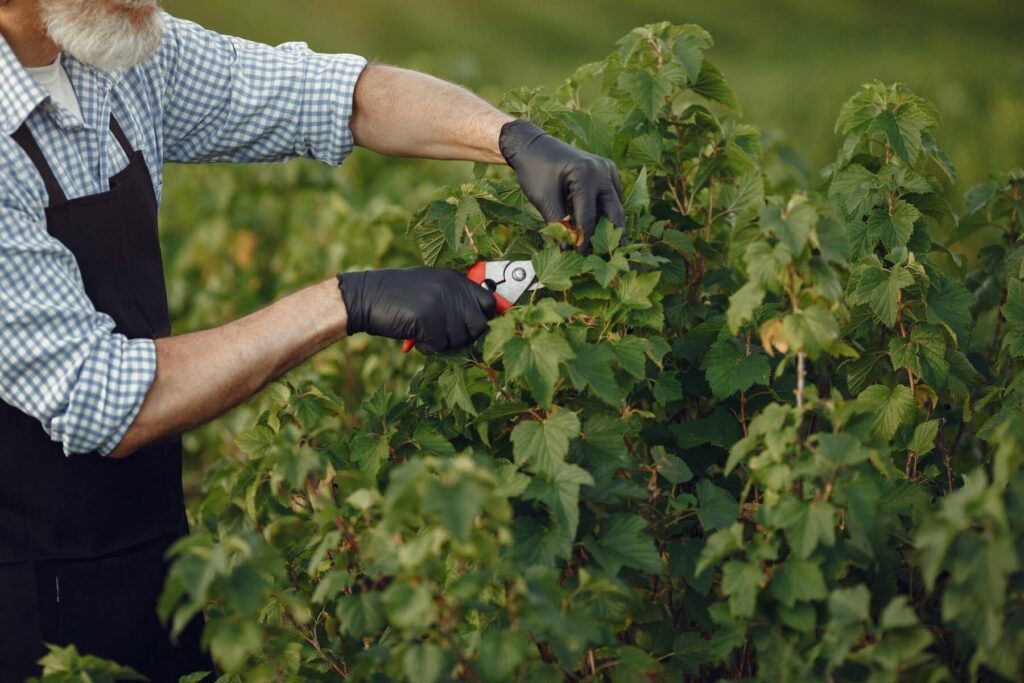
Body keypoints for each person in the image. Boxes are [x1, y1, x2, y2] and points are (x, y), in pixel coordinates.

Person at [0, 0, 624, 679]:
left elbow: (331, 96)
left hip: (150, 555)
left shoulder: (118, 54)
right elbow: (103, 396)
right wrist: (346, 301)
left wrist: (508, 136)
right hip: (28, 604)